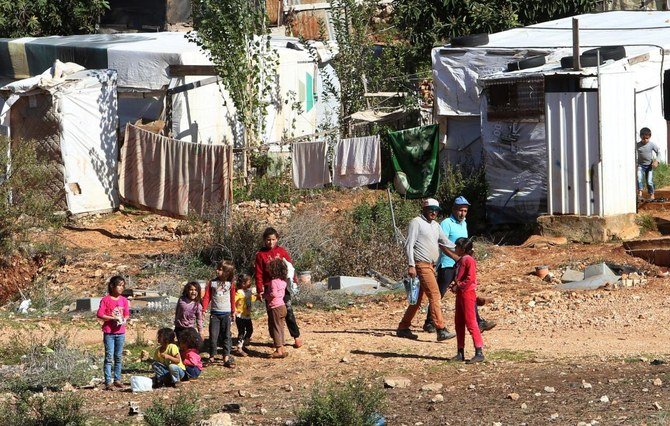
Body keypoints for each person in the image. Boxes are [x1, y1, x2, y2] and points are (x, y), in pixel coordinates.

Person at [425, 196, 496, 333]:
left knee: (467, 292)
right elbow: (441, 243)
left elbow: (465, 244)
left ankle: (478, 321)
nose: (462, 213)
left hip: (461, 265)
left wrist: (469, 259)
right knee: (438, 294)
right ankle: (429, 321)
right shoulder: (446, 223)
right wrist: (455, 257)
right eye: (460, 210)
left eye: (465, 211)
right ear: (454, 209)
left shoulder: (464, 223)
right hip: (447, 264)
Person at [396, 198, 457, 341]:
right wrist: (411, 264)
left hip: (431, 266)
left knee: (416, 300)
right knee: (435, 295)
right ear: (424, 209)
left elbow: (444, 241)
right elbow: (409, 245)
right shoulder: (416, 222)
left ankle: (403, 327)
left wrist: (460, 247)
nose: (434, 212)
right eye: (431, 209)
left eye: (436, 210)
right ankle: (441, 329)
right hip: (421, 265)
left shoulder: (435, 226)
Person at [255, 227, 303, 348]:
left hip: (283, 287)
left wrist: (294, 282)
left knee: (288, 311)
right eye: (268, 240)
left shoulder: (282, 252)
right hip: (269, 289)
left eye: (273, 239)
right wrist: (260, 290)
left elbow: (290, 267)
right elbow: (259, 273)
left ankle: (296, 336)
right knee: (272, 315)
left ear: (277, 239)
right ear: (264, 240)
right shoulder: (260, 255)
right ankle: (277, 341)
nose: (270, 242)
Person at [449, 237, 485, 363]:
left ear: (463, 248)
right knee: (459, 322)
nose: (455, 249)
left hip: (467, 293)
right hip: (461, 293)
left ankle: (479, 351)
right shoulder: (462, 260)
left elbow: (470, 278)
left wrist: (458, 286)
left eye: (457, 247)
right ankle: (460, 352)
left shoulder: (468, 260)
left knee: (471, 322)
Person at [97, 275, 130, 391]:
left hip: (120, 332)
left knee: (118, 356)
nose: (121, 288)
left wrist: (124, 319)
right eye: (119, 285)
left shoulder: (124, 300)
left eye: (123, 286)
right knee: (109, 356)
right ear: (112, 286)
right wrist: (112, 318)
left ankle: (117, 379)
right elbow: (100, 314)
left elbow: (126, 313)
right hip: (109, 333)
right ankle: (108, 381)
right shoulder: (105, 300)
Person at [202, 260, 237, 368]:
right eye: (218, 268)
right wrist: (203, 309)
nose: (217, 271)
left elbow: (232, 298)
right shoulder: (212, 283)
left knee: (226, 335)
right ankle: (212, 356)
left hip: (226, 314)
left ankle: (226, 357)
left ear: (227, 272)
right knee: (213, 336)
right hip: (215, 314)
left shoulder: (230, 284)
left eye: (220, 270)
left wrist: (233, 311)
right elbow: (207, 296)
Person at [264, 258, 288, 358]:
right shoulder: (283, 282)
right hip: (283, 306)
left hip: (275, 307)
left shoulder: (273, 281)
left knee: (275, 328)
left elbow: (273, 294)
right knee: (281, 327)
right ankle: (282, 348)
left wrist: (264, 295)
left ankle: (278, 349)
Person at [234, 273, 256, 357]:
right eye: (248, 281)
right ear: (243, 283)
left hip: (247, 315)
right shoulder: (239, 293)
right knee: (242, 331)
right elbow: (233, 301)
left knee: (250, 330)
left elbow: (251, 299)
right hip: (240, 316)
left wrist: (257, 297)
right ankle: (239, 347)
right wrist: (235, 310)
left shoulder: (248, 292)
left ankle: (243, 344)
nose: (250, 283)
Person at [637, 127, 660, 201]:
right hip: (640, 165)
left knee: (649, 181)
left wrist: (657, 161)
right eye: (643, 138)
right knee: (639, 178)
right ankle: (640, 194)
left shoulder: (652, 144)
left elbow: (658, 152)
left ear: (650, 137)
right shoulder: (637, 145)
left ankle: (652, 195)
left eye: (647, 138)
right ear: (640, 136)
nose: (645, 140)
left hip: (649, 166)